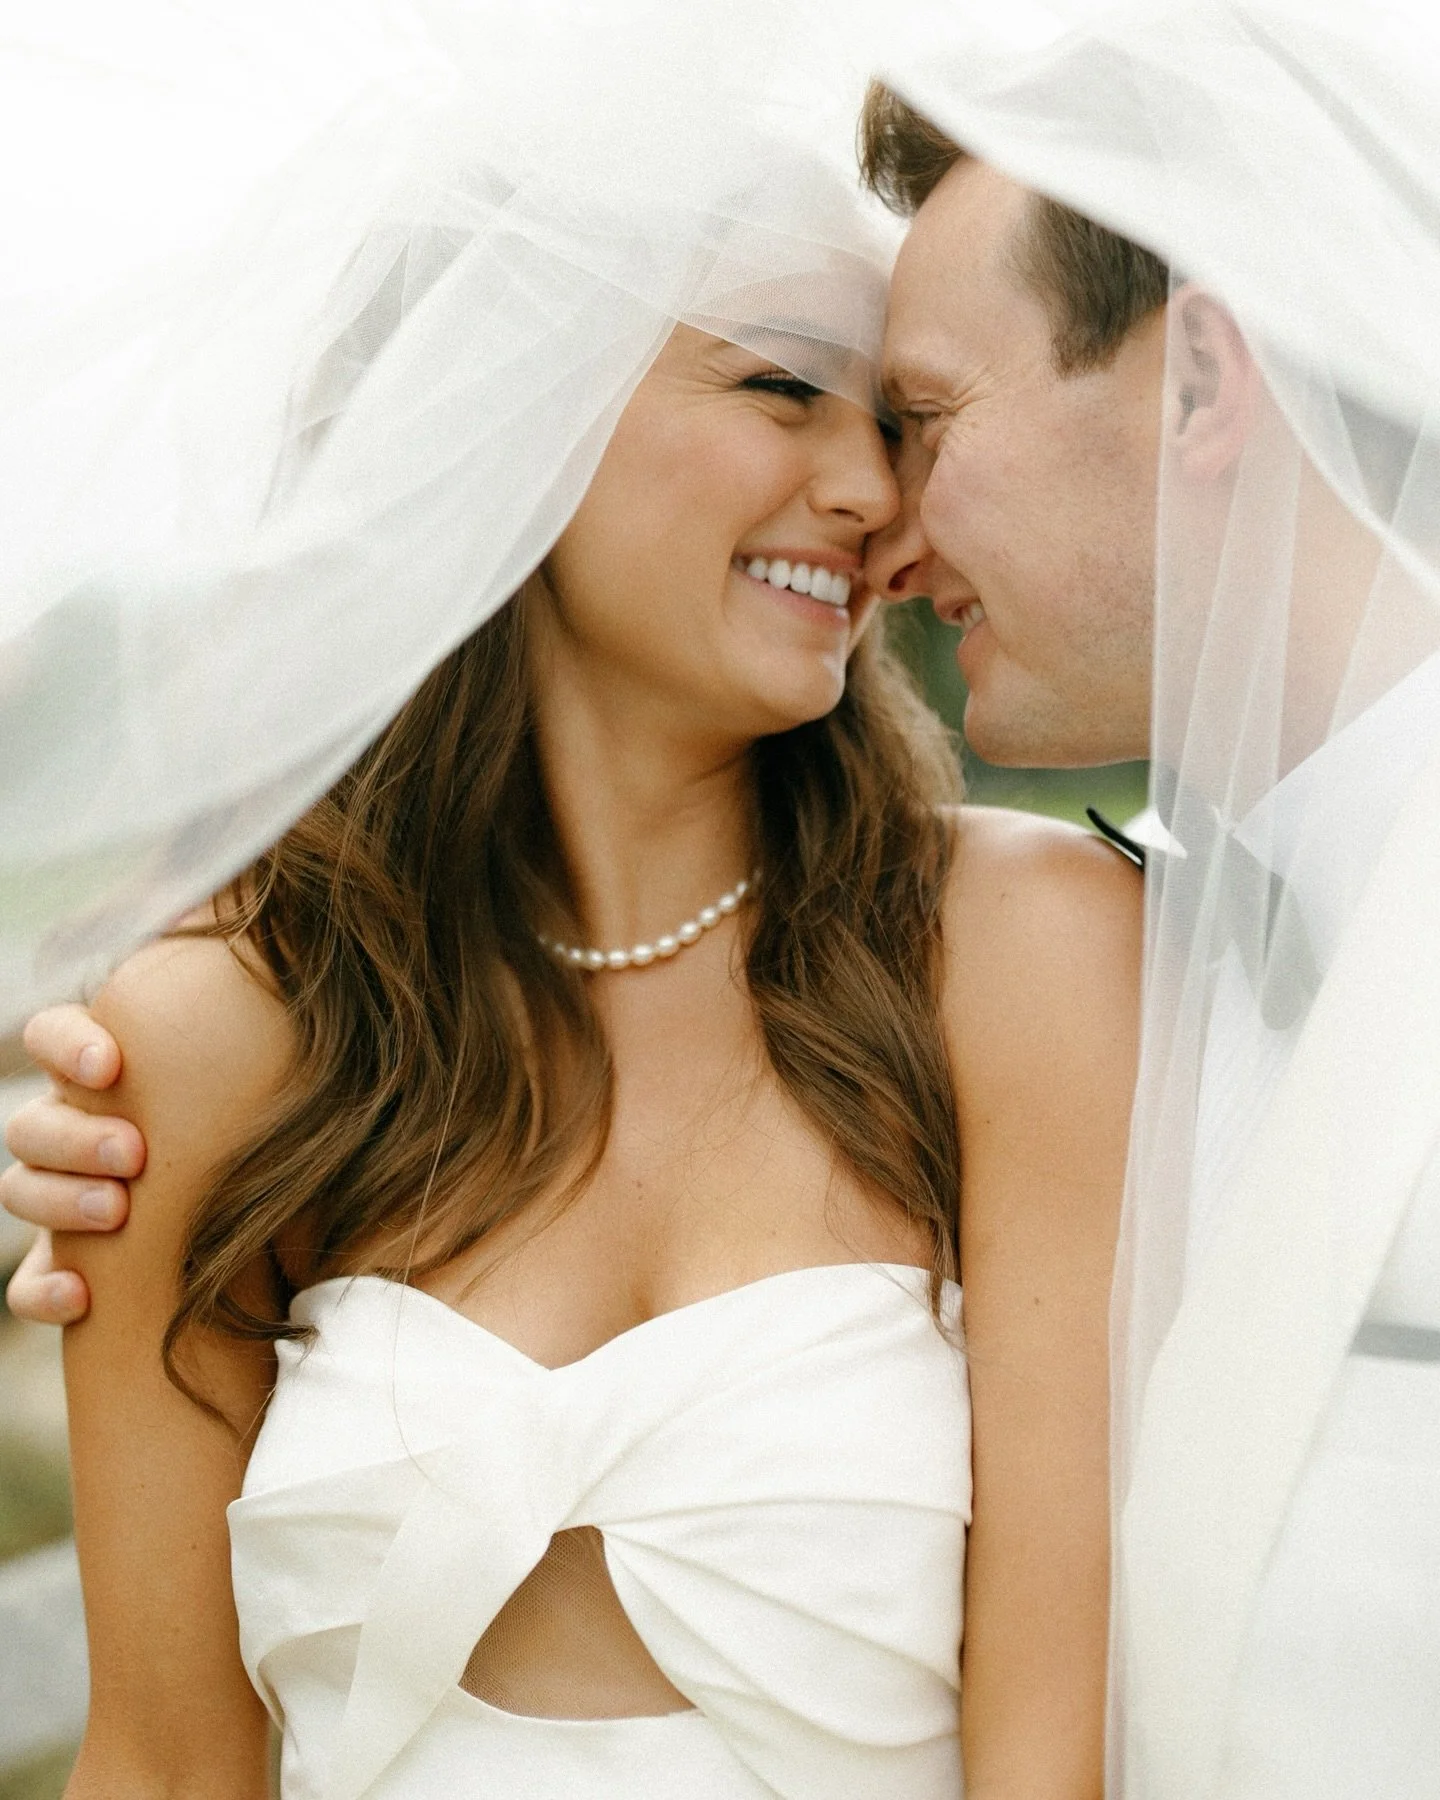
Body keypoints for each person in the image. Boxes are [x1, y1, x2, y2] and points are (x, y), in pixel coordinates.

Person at [0, 6, 1139, 1794]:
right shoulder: (199, 1048)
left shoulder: (1012, 954)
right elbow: (157, 1759)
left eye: (895, 423)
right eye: (781, 384)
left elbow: (1054, 1749)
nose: (867, 494)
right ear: (502, 399)